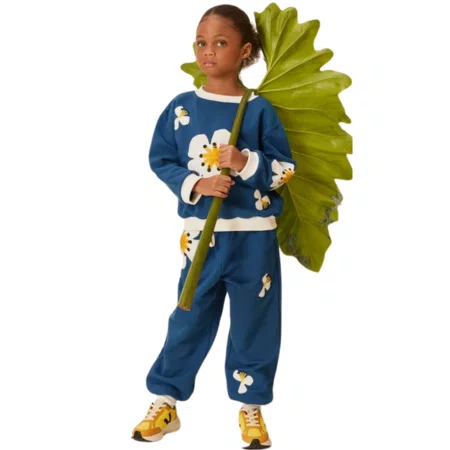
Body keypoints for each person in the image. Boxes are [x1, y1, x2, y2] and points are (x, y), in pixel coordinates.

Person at [131, 4, 296, 448]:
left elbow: (284, 169)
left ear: (244, 51)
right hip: (200, 236)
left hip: (254, 239)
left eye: (220, 43)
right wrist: (197, 183)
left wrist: (245, 162)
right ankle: (166, 400)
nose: (208, 51)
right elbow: (160, 158)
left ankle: (251, 407)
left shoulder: (258, 110)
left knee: (255, 322)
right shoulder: (181, 109)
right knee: (189, 316)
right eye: (201, 43)